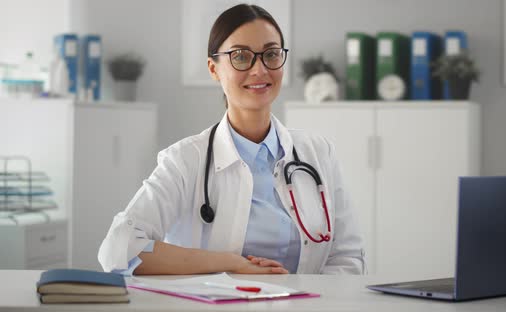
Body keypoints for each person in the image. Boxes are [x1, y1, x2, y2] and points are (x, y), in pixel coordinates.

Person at [98, 4, 365, 275]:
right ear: (214, 69)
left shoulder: (318, 153)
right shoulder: (185, 161)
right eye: (240, 56)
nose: (259, 69)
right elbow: (118, 249)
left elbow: (348, 258)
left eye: (271, 54)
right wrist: (231, 264)